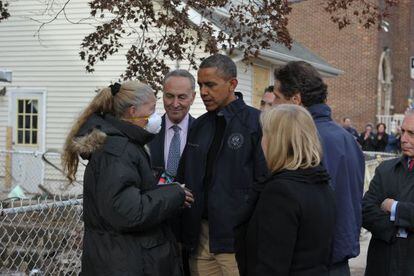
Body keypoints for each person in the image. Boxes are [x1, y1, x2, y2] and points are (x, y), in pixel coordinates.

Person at [62, 81, 194, 275]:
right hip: (124, 261)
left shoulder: (124, 144)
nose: (156, 117)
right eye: (151, 110)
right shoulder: (118, 151)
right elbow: (128, 212)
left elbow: (128, 194)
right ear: (133, 111)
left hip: (121, 257)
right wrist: (174, 194)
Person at [176, 54, 268, 276]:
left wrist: (240, 221)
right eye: (200, 85)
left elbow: (263, 181)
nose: (204, 92)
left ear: (232, 84)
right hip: (200, 239)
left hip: (236, 240)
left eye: (210, 85)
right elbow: (184, 176)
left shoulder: (256, 123)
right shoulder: (199, 127)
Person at [272, 61, 365, 276]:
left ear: (296, 99)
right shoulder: (347, 138)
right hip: (339, 259)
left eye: (277, 97)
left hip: (313, 263)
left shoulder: (305, 141)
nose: (273, 105)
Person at [234, 104, 336, 276]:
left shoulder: (280, 192)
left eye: (264, 134)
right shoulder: (321, 183)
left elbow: (271, 265)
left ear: (275, 141)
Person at [362, 109, 414, 276]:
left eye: (412, 133)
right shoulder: (386, 169)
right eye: (403, 132)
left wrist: (393, 207)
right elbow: (366, 209)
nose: (404, 139)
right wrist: (394, 231)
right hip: (383, 263)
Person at [148, 69, 196, 180]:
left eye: (181, 97)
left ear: (192, 98)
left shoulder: (203, 132)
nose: (175, 104)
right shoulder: (148, 132)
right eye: (169, 96)